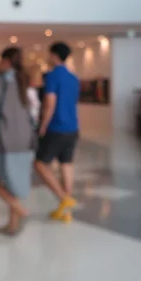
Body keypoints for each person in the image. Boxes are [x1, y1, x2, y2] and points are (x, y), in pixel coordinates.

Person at [0, 47, 36, 237]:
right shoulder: (23, 78)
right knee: (12, 181)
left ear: (6, 61)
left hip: (3, 136)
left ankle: (22, 212)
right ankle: (13, 225)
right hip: (24, 137)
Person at [34, 42, 80, 224]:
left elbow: (50, 102)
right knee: (66, 166)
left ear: (54, 55)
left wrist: (43, 124)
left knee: (40, 164)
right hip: (73, 128)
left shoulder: (52, 76)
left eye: (49, 54)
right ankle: (65, 211)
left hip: (56, 128)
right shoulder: (74, 78)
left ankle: (63, 198)